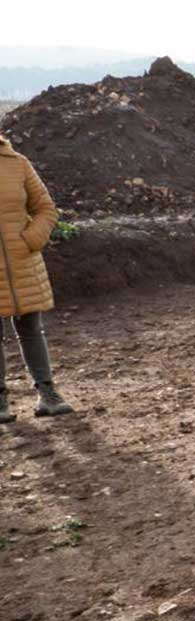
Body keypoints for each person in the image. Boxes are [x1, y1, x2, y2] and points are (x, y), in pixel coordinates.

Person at [0, 132, 71, 423]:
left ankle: (48, 394)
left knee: (31, 326)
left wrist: (31, 239)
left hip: (23, 263)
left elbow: (45, 208)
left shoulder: (17, 163)